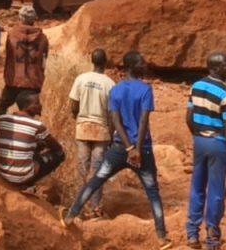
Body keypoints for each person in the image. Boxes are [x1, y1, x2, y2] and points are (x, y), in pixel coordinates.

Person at [61, 51, 170, 249]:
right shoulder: (145, 89)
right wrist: (136, 149)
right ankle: (162, 236)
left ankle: (71, 215)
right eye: (141, 62)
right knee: (153, 192)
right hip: (143, 151)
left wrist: (127, 147)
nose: (144, 65)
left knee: (96, 180)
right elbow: (144, 120)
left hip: (119, 149)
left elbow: (116, 121)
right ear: (132, 66)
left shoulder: (116, 89)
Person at [185, 52, 226, 250]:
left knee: (197, 187)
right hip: (219, 143)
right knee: (216, 191)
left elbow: (188, 117)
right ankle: (212, 238)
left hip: (200, 141)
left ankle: (192, 234)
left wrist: (198, 135)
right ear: (215, 68)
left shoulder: (196, 86)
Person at [67, 48, 114, 219]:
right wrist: (111, 133)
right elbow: (112, 113)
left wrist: (77, 117)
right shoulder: (110, 84)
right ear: (105, 63)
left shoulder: (81, 78)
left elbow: (73, 103)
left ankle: (77, 208)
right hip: (101, 131)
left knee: (82, 168)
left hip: (83, 127)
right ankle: (96, 208)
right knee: (97, 170)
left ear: (91, 61)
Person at [0, 89, 65, 192]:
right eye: (37, 103)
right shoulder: (37, 125)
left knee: (35, 146)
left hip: (2, 172)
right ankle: (28, 183)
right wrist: (40, 144)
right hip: (21, 176)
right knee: (60, 154)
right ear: (27, 107)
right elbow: (56, 147)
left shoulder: (3, 119)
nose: (40, 106)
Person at [0, 5, 48, 114]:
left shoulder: (12, 34)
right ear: (34, 19)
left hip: (13, 81)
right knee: (30, 115)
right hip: (33, 83)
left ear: (20, 18)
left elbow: (8, 55)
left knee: (1, 108)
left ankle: (1, 124)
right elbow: (44, 61)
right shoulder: (42, 38)